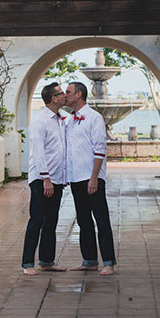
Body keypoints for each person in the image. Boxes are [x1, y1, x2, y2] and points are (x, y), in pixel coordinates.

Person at [65, 82, 117, 276]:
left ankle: (109, 262)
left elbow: (100, 149)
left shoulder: (94, 118)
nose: (65, 95)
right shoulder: (70, 120)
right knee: (83, 220)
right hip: (76, 177)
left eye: (68, 92)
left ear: (78, 94)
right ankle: (89, 260)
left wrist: (94, 178)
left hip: (92, 177)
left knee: (101, 219)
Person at [21, 82, 68, 275]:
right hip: (42, 178)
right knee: (37, 219)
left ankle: (47, 261)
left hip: (56, 178)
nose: (65, 95)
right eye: (61, 93)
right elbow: (38, 153)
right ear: (54, 98)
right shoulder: (40, 121)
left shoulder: (60, 119)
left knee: (52, 220)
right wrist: (46, 179)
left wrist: (61, 177)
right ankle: (27, 264)